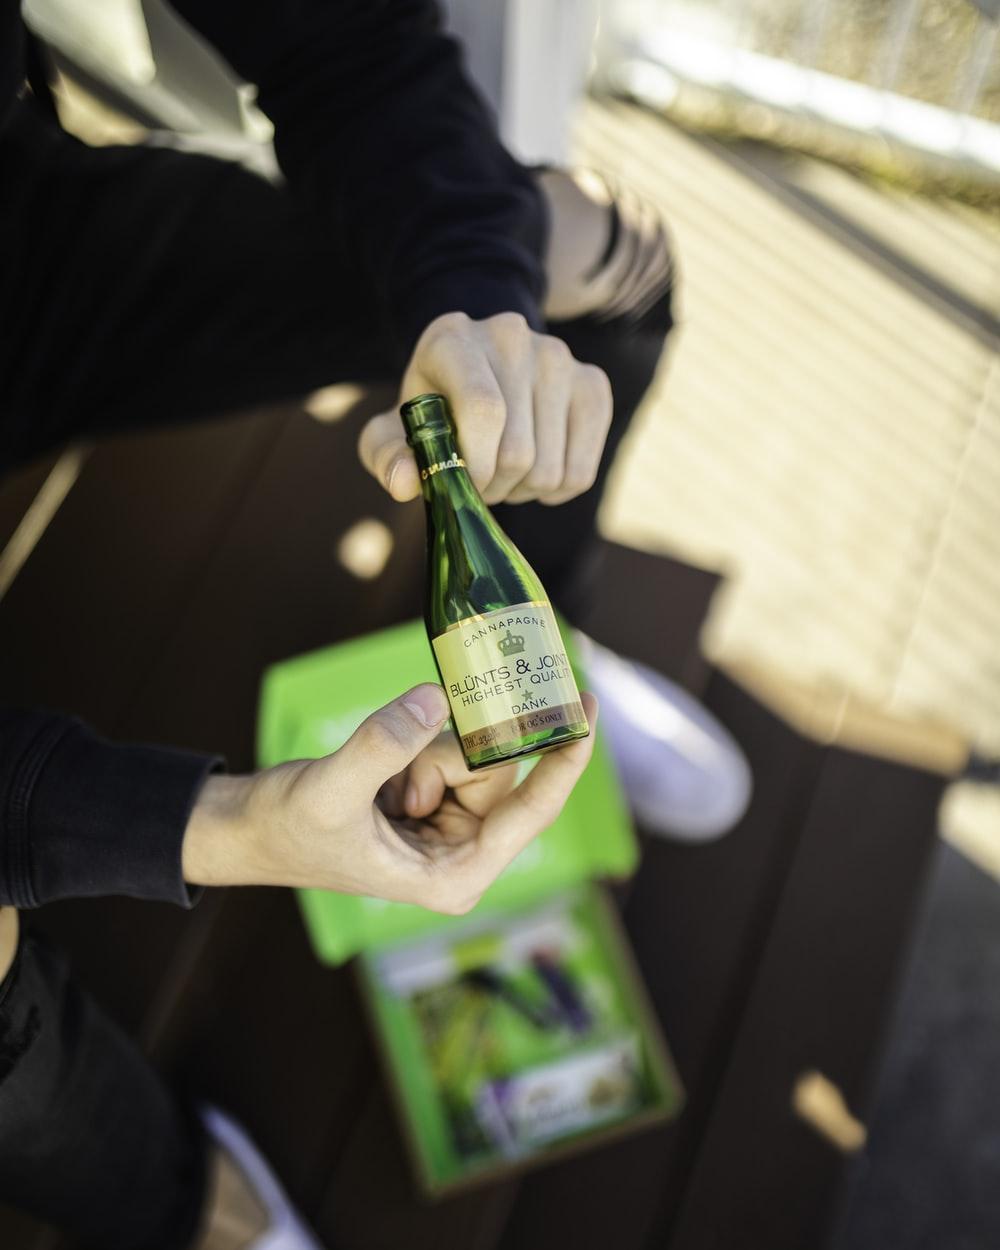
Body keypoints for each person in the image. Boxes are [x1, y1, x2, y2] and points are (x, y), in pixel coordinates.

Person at [0, 3, 750, 1247]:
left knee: (606, 252)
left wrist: (475, 299)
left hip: (28, 251)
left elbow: (348, 44)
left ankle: (531, 647)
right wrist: (230, 823)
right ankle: (173, 1196)